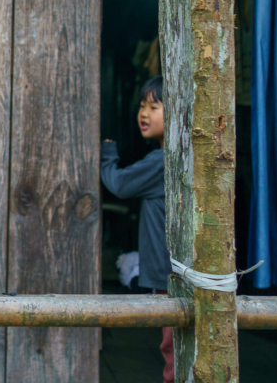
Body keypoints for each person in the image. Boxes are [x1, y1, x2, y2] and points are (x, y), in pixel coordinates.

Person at [101, 75, 172, 383]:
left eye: (154, 107)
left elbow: (119, 184)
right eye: (142, 105)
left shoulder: (163, 160)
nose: (144, 113)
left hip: (172, 278)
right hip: (173, 275)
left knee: (174, 351)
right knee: (174, 347)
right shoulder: (170, 157)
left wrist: (107, 156)